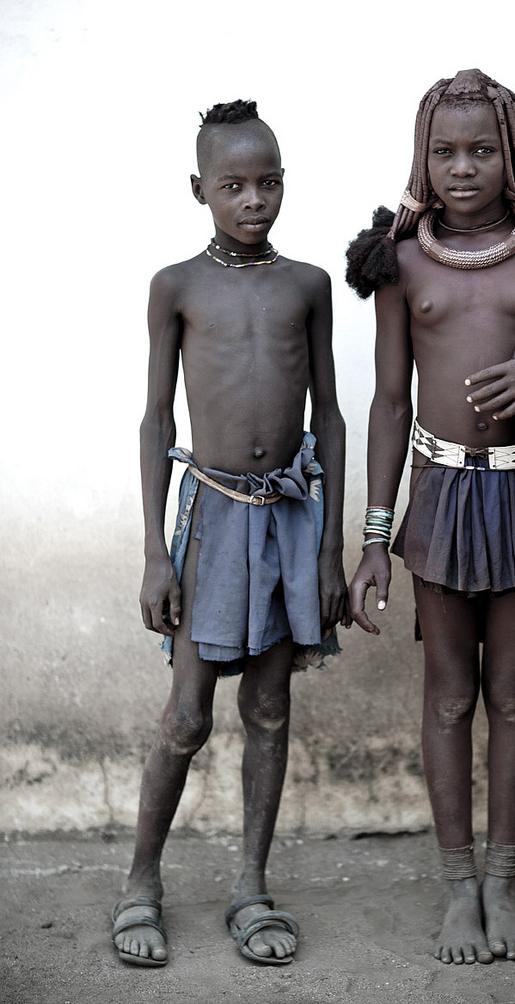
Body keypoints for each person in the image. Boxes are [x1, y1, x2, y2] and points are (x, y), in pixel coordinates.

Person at [345, 69, 515, 966]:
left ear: (514, 156)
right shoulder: (402, 259)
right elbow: (391, 404)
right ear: (422, 159)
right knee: (449, 695)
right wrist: (375, 537)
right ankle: (458, 887)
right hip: (440, 496)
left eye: (483, 150)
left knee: (510, 694)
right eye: (445, 152)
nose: (463, 168)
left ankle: (503, 883)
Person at [111, 99, 348, 967]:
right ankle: (142, 881)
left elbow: (332, 419)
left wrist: (330, 549)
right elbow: (152, 420)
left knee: (272, 707)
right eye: (234, 185)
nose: (255, 199)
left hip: (289, 520)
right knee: (185, 716)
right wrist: (151, 553)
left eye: (269, 181)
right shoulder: (177, 286)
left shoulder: (309, 285)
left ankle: (251, 886)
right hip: (211, 518)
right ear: (199, 189)